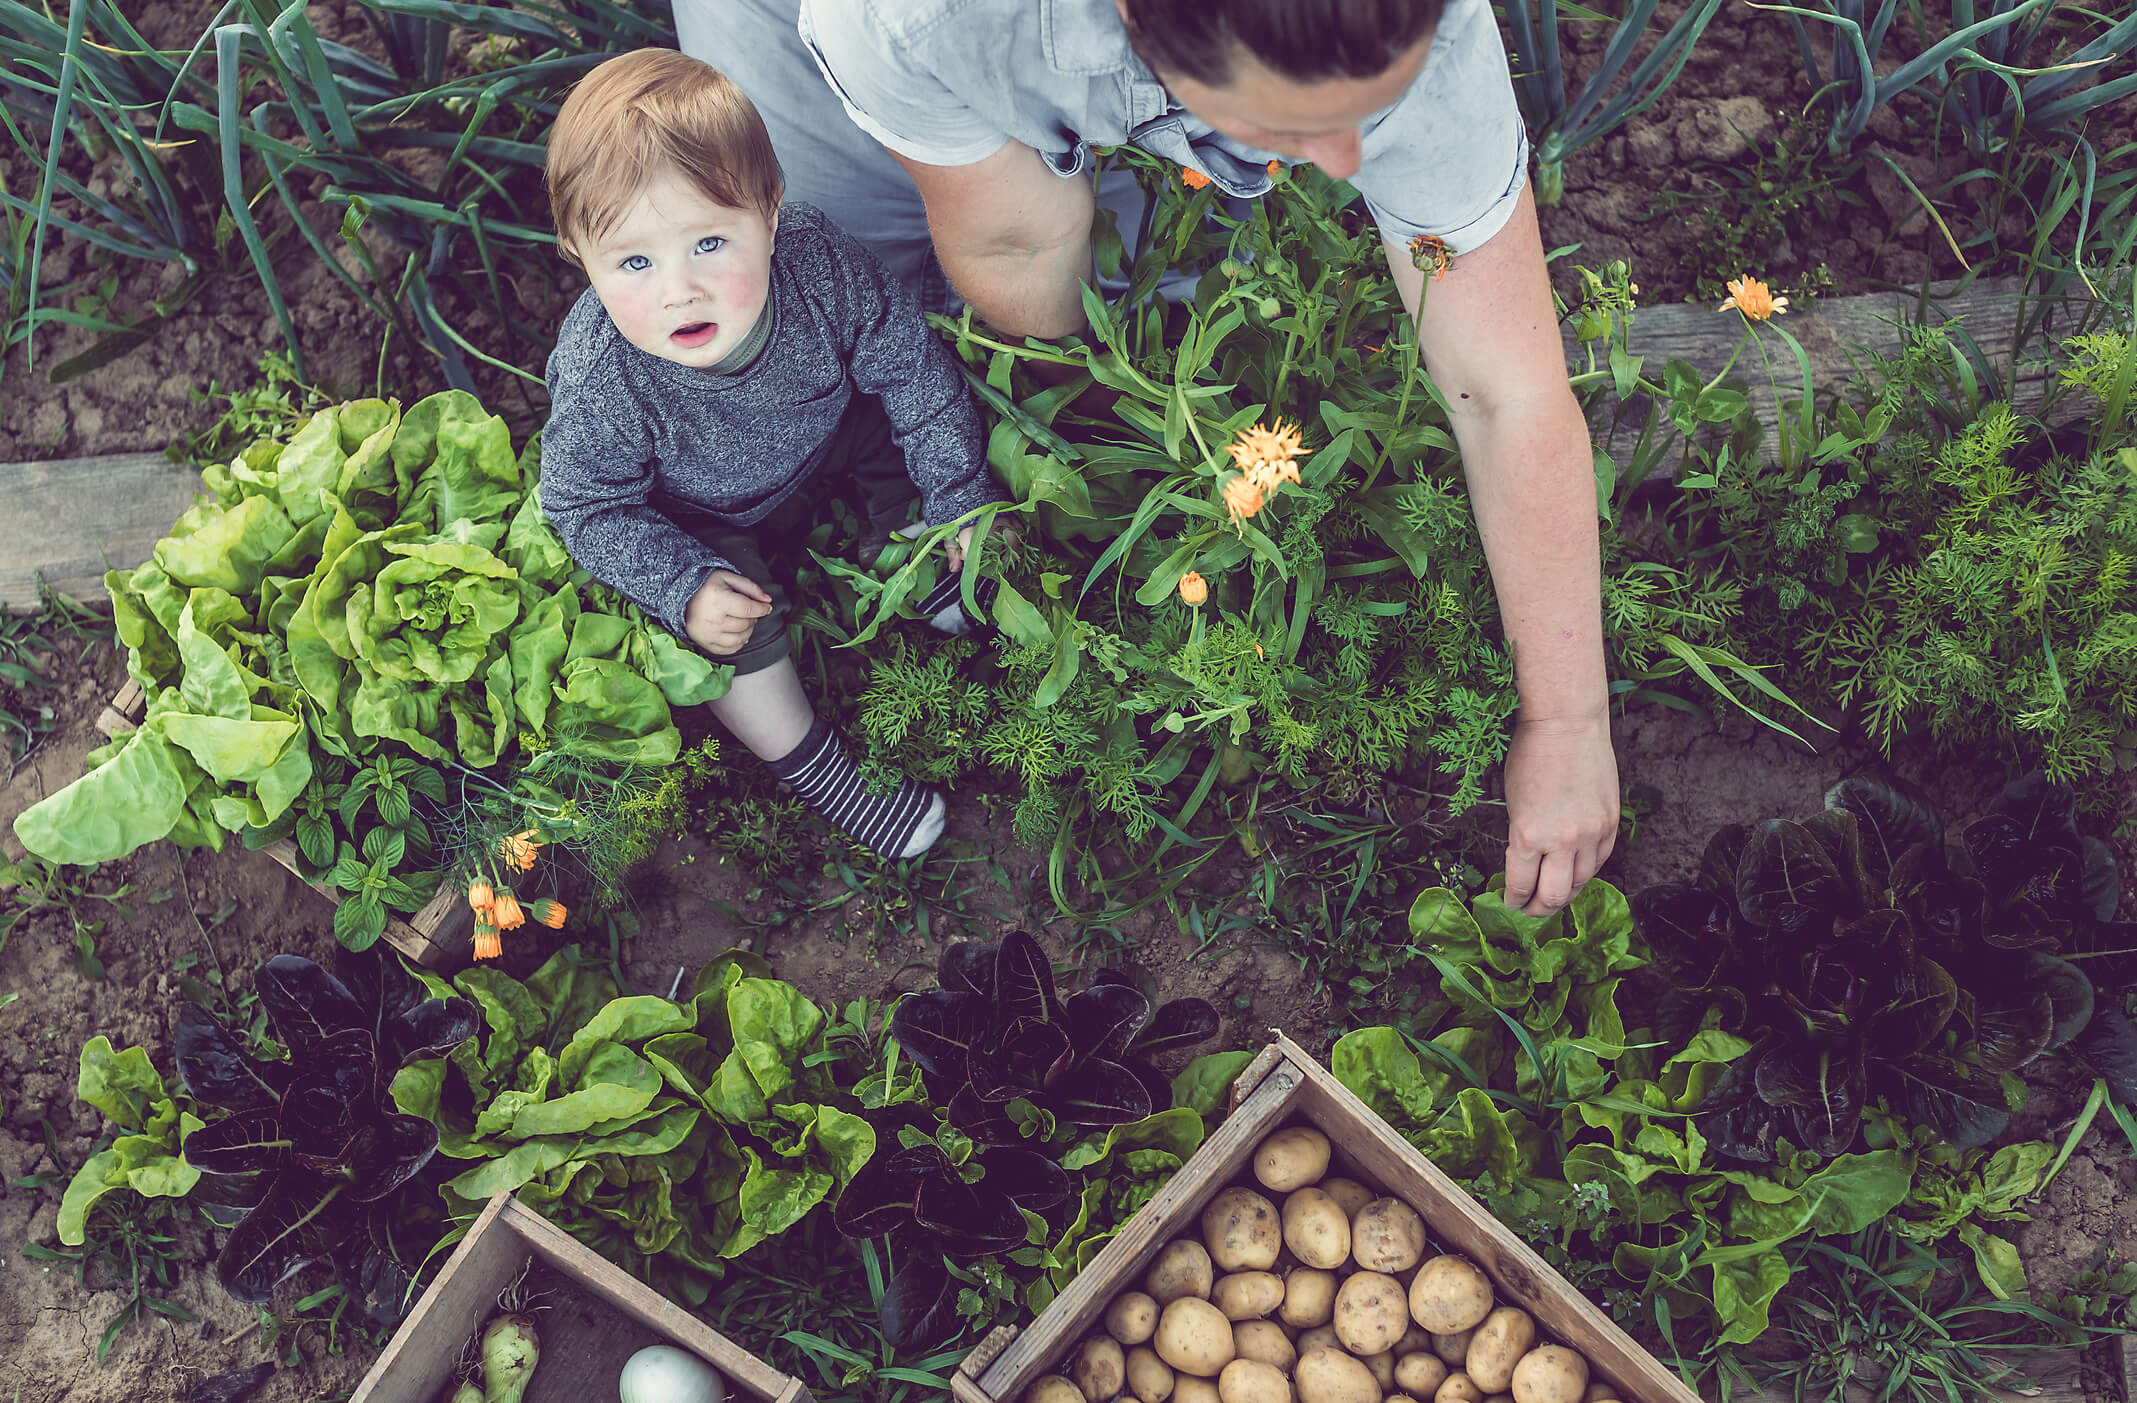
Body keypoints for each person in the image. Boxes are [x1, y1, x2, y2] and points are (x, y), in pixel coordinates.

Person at [672, 0, 1620, 915]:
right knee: (837, 301)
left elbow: (1508, 394)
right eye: (1296, 119)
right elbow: (1018, 244)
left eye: (1365, 101)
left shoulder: (1424, 22)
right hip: (854, 38)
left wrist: (1567, 720)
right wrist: (1084, 449)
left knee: (1150, 280)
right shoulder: (917, 14)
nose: (1343, 162)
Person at [537, 50, 1008, 860]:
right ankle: (821, 771)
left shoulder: (817, 263)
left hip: (821, 431)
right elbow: (580, 504)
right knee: (725, 630)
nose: (678, 289)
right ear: (580, 254)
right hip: (697, 511)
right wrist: (678, 583)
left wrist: (959, 493)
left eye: (710, 242)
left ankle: (927, 549)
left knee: (894, 423)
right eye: (634, 262)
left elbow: (907, 362)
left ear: (771, 212)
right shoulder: (604, 378)